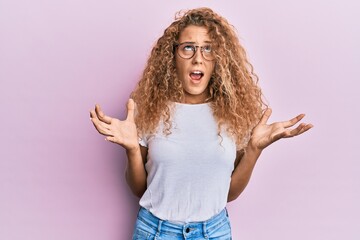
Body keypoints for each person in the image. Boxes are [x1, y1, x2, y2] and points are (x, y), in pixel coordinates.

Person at [90, 7, 313, 240]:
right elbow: (139, 190)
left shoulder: (234, 115)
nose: (198, 58)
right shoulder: (149, 109)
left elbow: (228, 193)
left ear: (219, 59)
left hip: (214, 233)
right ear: (172, 56)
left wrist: (255, 149)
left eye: (208, 48)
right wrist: (132, 149)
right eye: (188, 48)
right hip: (155, 232)